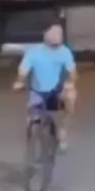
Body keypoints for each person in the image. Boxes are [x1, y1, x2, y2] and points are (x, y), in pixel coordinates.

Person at [12, 23, 77, 151]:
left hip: (57, 90)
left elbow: (72, 72)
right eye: (54, 34)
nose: (57, 37)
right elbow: (23, 71)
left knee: (70, 97)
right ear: (46, 35)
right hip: (37, 91)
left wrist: (70, 82)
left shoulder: (65, 52)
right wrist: (19, 81)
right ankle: (32, 142)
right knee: (33, 117)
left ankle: (62, 131)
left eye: (59, 34)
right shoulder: (33, 52)